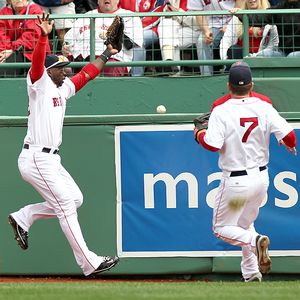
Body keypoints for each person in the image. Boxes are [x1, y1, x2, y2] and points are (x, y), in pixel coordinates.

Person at [8, 13, 119, 277]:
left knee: (74, 199)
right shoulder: (39, 84)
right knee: (65, 206)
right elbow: (37, 63)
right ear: (50, 71)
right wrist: (43, 38)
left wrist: (106, 53)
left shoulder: (62, 88)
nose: (66, 69)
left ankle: (25, 216)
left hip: (51, 160)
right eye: (61, 66)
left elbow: (87, 74)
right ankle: (89, 262)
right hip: (35, 158)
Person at [194, 61, 297, 282]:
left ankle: (255, 240)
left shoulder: (221, 110)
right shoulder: (264, 106)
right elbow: (290, 136)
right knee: (243, 224)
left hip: (237, 185)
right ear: (252, 84)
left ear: (229, 86)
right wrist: (286, 142)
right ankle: (251, 274)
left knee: (222, 228)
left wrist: (198, 134)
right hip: (261, 180)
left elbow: (212, 145)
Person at [62, 0, 144, 77]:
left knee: (109, 70)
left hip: (111, 60)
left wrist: (114, 34)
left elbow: (130, 44)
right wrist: (66, 47)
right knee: (56, 62)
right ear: (98, 1)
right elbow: (68, 39)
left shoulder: (129, 17)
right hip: (80, 58)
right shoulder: (86, 16)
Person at [187, 0, 243, 76]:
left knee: (230, 44)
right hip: (213, 24)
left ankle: (229, 75)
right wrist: (206, 31)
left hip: (234, 20)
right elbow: (198, 13)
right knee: (202, 41)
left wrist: (231, 24)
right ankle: (206, 77)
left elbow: (240, 3)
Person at [220, 0, 279, 68]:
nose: (252, 0)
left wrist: (255, 57)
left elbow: (273, 45)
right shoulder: (238, 17)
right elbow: (226, 41)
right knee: (234, 49)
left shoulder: (269, 16)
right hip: (240, 58)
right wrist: (225, 60)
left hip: (260, 58)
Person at [0, 0, 51, 77]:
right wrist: (5, 50)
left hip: (31, 53)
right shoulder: (4, 11)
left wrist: (12, 49)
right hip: (10, 51)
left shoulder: (35, 9)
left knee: (5, 70)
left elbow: (32, 35)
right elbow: (1, 34)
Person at [119, 0, 167, 76]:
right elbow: (117, 12)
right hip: (127, 29)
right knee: (128, 43)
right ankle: (124, 75)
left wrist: (134, 28)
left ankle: (136, 77)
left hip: (152, 28)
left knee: (139, 41)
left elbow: (157, 12)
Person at [157, 0, 201, 75]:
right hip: (180, 27)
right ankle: (171, 64)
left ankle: (171, 68)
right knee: (165, 25)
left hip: (196, 30)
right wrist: (167, 13)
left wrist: (177, 12)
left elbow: (197, 23)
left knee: (171, 40)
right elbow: (163, 17)